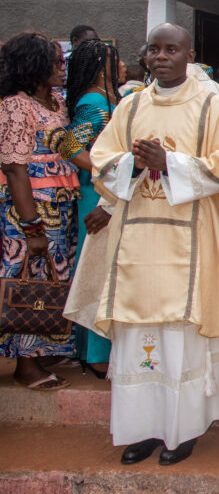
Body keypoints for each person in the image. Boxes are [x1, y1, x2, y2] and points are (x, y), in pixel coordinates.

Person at [90, 23, 219, 466]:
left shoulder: (216, 102)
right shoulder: (131, 105)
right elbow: (102, 157)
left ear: (188, 54)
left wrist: (169, 163)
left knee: (181, 338)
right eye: (153, 49)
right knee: (139, 339)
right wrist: (131, 165)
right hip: (138, 239)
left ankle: (182, 430)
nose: (160, 57)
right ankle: (144, 429)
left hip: (192, 240)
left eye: (171, 49)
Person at [0, 33, 80, 391]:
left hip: (60, 209)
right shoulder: (14, 106)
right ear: (33, 65)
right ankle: (25, 365)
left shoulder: (54, 102)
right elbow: (15, 169)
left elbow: (68, 146)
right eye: (56, 62)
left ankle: (44, 348)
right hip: (27, 213)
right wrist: (31, 229)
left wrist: (116, 166)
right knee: (26, 282)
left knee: (53, 281)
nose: (63, 68)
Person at [60, 39, 123, 375]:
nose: (125, 66)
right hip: (96, 196)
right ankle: (95, 355)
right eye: (117, 61)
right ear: (103, 67)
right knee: (96, 271)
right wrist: (100, 171)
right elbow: (70, 144)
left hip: (103, 192)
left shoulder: (104, 99)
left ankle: (92, 351)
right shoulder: (96, 102)